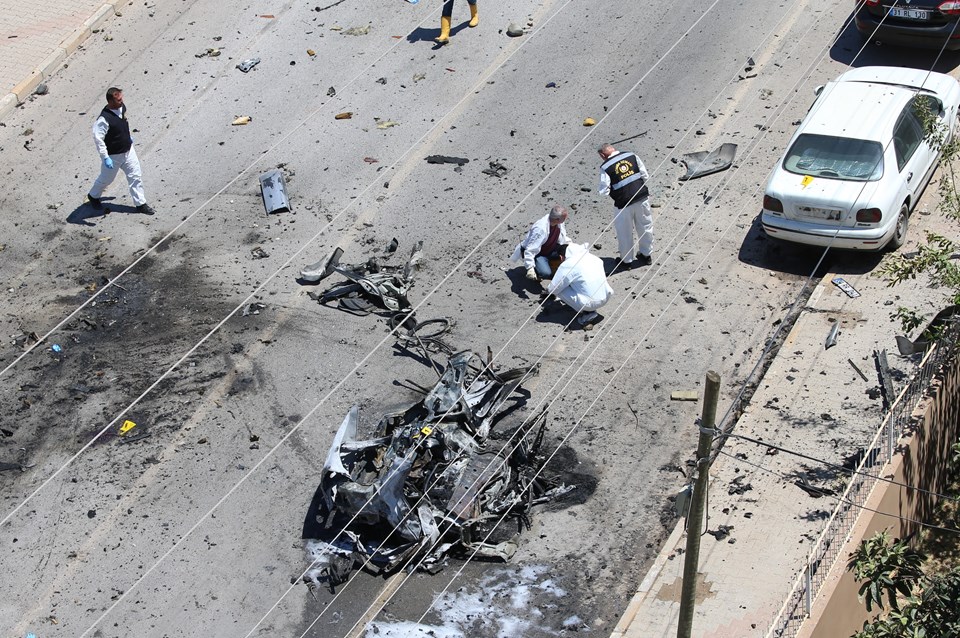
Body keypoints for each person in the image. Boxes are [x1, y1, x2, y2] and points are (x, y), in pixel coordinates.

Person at [87, 87, 156, 215]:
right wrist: (105, 157)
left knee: (135, 176)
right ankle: (93, 195)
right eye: (118, 100)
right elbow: (98, 139)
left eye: (121, 98)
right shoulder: (103, 120)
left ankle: (140, 204)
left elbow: (123, 122)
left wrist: (127, 136)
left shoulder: (122, 107)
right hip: (113, 156)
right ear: (110, 101)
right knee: (106, 179)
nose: (121, 101)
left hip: (128, 151)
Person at [598, 143, 652, 270]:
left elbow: (603, 191)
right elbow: (645, 175)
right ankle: (646, 254)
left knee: (624, 232)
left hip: (623, 204)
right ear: (614, 149)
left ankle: (626, 260)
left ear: (602, 155)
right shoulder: (631, 155)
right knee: (645, 226)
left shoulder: (605, 166)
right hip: (641, 197)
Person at [546, 243, 614, 328]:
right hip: (606, 296)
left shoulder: (567, 264)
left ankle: (588, 314)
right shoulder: (593, 258)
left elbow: (554, 288)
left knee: (560, 289)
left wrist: (548, 291)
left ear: (561, 257)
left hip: (590, 303)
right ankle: (588, 308)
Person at [511, 205, 570, 282]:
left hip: (551, 248)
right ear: (557, 219)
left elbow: (563, 237)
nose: (566, 219)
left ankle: (551, 264)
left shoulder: (559, 223)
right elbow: (530, 249)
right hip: (539, 254)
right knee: (545, 273)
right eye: (564, 218)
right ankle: (536, 270)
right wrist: (530, 268)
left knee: (569, 252)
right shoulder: (540, 230)